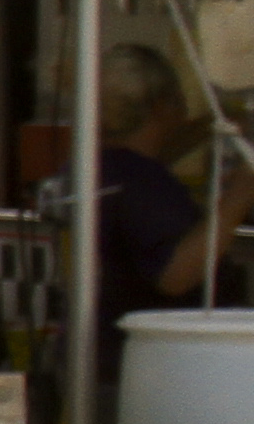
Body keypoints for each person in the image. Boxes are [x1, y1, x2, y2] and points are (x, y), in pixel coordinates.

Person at [95, 42, 254, 328]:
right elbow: (174, 275)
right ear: (162, 106)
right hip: (158, 353)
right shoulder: (142, 182)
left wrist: (218, 121)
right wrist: (241, 193)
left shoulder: (103, 167)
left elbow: (165, 147)